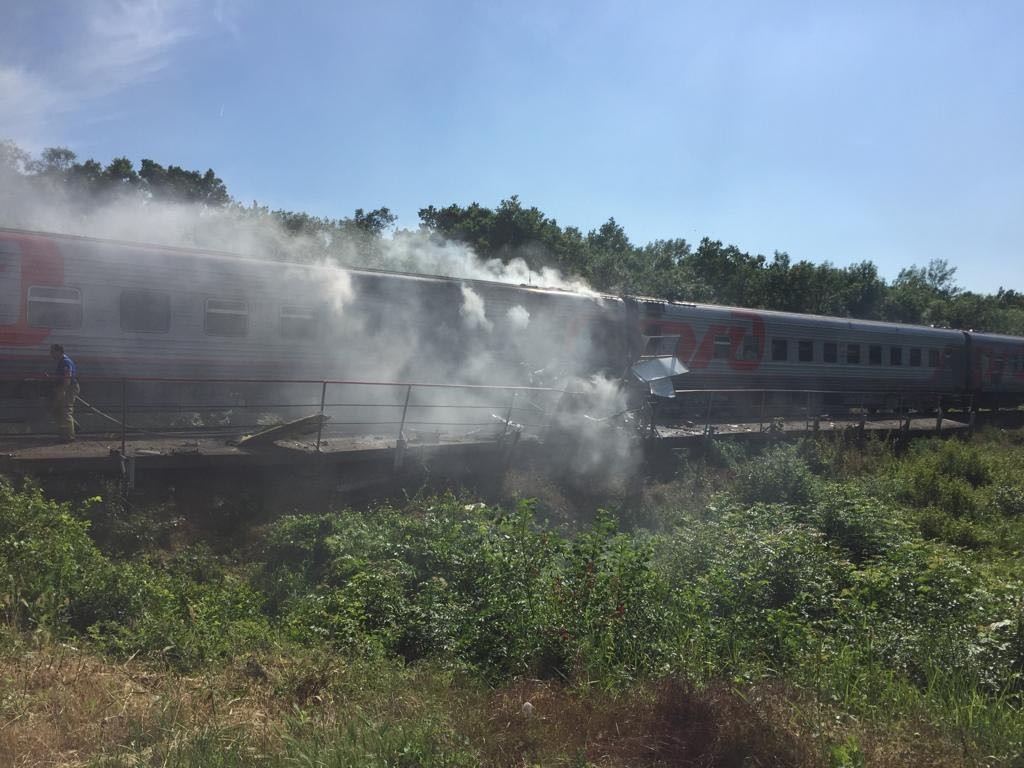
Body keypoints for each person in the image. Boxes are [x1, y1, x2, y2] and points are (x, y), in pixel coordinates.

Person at [48, 344, 79, 442]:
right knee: (57, 410)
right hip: (65, 387)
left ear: (58, 351)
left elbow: (67, 376)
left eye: (52, 352)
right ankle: (74, 427)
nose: (51, 354)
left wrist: (63, 390)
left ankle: (69, 437)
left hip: (68, 388)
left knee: (66, 411)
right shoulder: (61, 362)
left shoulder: (65, 362)